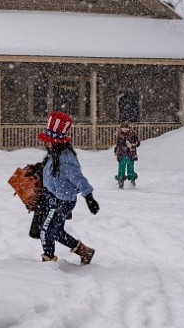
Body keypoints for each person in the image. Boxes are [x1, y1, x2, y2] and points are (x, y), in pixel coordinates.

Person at [36, 111, 100, 264]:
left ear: (57, 142)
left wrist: (89, 197)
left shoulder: (65, 159)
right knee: (56, 232)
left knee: (47, 230)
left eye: (48, 141)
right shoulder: (55, 155)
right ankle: (84, 251)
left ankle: (48, 260)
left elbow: (78, 179)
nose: (46, 143)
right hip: (56, 198)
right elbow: (53, 175)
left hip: (62, 201)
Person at [114, 123, 141, 189]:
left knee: (130, 169)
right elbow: (117, 144)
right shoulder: (119, 135)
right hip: (121, 154)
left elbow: (138, 143)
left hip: (130, 154)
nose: (125, 129)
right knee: (121, 169)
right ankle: (120, 181)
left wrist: (132, 145)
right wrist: (116, 150)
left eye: (126, 128)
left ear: (129, 128)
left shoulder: (132, 135)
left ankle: (132, 181)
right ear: (121, 128)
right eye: (123, 128)